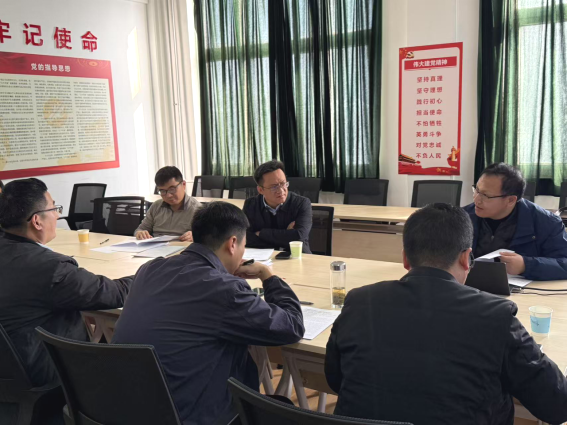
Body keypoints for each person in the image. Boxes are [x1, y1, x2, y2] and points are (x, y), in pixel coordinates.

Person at [325, 203, 567, 425]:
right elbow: (557, 406)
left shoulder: (358, 301)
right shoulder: (497, 316)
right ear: (466, 258)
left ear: (405, 258)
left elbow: (335, 379)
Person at [112, 201, 305, 424]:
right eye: (244, 246)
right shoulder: (225, 290)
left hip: (127, 411)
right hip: (189, 416)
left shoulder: (149, 269)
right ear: (233, 244)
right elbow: (292, 326)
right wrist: (267, 275)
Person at [0, 179, 133, 387]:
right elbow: (115, 294)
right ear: (37, 221)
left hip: (8, 370)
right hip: (46, 371)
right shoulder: (50, 268)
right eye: (54, 208)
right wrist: (147, 273)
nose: (57, 215)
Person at [464, 163, 567, 280]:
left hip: (522, 289)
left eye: (486, 195)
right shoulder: (463, 216)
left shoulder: (547, 222)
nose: (477, 199)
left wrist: (525, 265)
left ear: (511, 200)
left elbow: (564, 263)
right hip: (469, 285)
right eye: (477, 190)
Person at [244, 161, 313, 253]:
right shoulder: (250, 205)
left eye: (283, 183)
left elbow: (299, 236)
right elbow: (244, 238)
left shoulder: (301, 203)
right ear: (260, 190)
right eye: (274, 187)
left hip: (296, 256)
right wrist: (286, 235)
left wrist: (261, 233)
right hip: (262, 256)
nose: (281, 190)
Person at [135, 166, 201, 242]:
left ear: (183, 185)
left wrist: (195, 236)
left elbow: (206, 238)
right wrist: (140, 233)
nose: (168, 195)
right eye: (162, 191)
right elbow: (140, 229)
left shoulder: (198, 210)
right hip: (156, 247)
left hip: (182, 247)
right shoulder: (156, 206)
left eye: (172, 189)